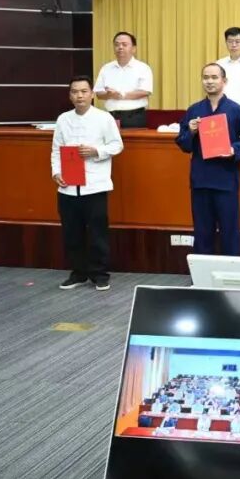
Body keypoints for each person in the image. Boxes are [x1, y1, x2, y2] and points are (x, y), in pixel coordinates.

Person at [176, 63, 240, 255]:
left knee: (229, 232)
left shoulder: (236, 110)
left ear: (224, 81)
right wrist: (191, 131)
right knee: (202, 232)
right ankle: (203, 271)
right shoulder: (194, 110)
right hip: (201, 180)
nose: (209, 81)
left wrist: (233, 150)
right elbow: (183, 144)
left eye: (214, 77)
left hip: (226, 180)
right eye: (206, 77)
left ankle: (230, 270)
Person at [51, 76, 124, 291]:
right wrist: (56, 172)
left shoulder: (104, 118)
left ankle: (100, 274)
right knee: (72, 232)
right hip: (68, 186)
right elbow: (56, 149)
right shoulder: (63, 119)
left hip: (95, 185)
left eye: (84, 91)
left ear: (92, 94)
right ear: (70, 95)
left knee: (97, 233)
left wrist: (96, 151)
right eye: (75, 92)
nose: (79, 96)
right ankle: (78, 273)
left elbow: (117, 145)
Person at [93, 31, 153, 128]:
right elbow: (99, 94)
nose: (120, 47)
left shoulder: (143, 68)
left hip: (134, 116)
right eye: (117, 45)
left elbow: (145, 92)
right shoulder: (106, 68)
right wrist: (109, 95)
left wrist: (121, 95)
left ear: (133, 49)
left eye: (124, 44)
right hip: (111, 116)